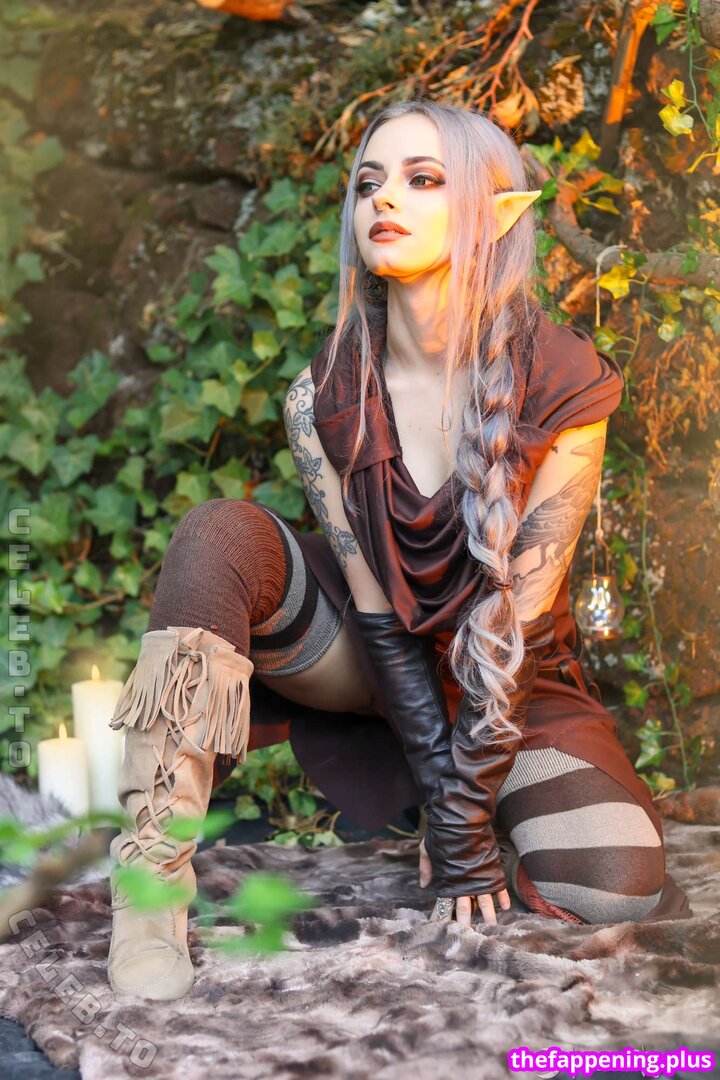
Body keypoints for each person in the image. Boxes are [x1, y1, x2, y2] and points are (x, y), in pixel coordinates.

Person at [105, 100, 692, 1003]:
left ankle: (494, 805)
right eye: (370, 183)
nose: (384, 199)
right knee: (217, 534)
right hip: (372, 661)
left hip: (508, 679)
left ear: (496, 211)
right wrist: (447, 805)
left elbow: (512, 632)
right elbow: (375, 614)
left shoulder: (564, 380)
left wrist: (463, 816)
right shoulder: (320, 396)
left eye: (424, 180)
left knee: (612, 881)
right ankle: (148, 892)